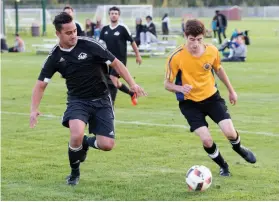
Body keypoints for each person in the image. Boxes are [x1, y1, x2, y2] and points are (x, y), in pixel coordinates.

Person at [29, 12, 146, 186]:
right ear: (58, 34)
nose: (73, 35)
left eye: (75, 30)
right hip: (78, 100)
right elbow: (40, 85)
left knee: (107, 144)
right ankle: (74, 173)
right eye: (68, 33)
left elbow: (116, 63)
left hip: (102, 99)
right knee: (75, 134)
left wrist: (133, 84)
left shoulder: (90, 45)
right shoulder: (55, 57)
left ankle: (86, 142)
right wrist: (34, 109)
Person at [164, 19, 256, 177]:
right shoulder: (176, 57)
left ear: (203, 37)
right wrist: (179, 88)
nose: (195, 44)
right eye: (191, 39)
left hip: (212, 98)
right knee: (206, 140)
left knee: (230, 133)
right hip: (189, 103)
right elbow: (167, 84)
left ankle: (239, 148)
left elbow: (219, 70)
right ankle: (224, 166)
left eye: (199, 39)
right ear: (185, 36)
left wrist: (231, 91)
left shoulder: (212, 51)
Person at [99, 6, 142, 106]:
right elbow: (100, 44)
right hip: (107, 60)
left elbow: (132, 42)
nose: (114, 15)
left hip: (120, 60)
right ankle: (131, 93)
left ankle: (110, 104)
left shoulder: (122, 28)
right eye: (112, 13)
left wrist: (138, 55)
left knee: (113, 79)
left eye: (116, 13)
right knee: (115, 82)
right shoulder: (104, 29)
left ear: (118, 15)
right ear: (109, 15)